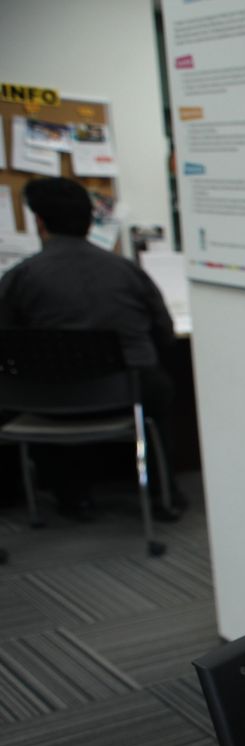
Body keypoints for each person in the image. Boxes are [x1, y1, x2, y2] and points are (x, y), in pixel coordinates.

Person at [0, 177, 184, 519]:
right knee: (161, 387)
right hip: (125, 392)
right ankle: (164, 492)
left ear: (39, 222)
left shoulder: (20, 278)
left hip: (46, 398)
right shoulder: (127, 271)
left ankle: (68, 497)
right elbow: (165, 334)